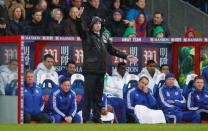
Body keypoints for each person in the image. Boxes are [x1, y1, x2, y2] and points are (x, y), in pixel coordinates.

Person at [75, 7, 138, 123]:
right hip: (90, 71)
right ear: (92, 25)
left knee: (98, 97)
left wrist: (125, 56)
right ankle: (85, 119)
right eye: (96, 23)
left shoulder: (104, 37)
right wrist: (78, 19)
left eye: (99, 23)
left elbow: (112, 50)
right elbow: (79, 29)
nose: (98, 25)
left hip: (101, 71)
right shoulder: (86, 35)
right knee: (88, 97)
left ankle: (96, 118)